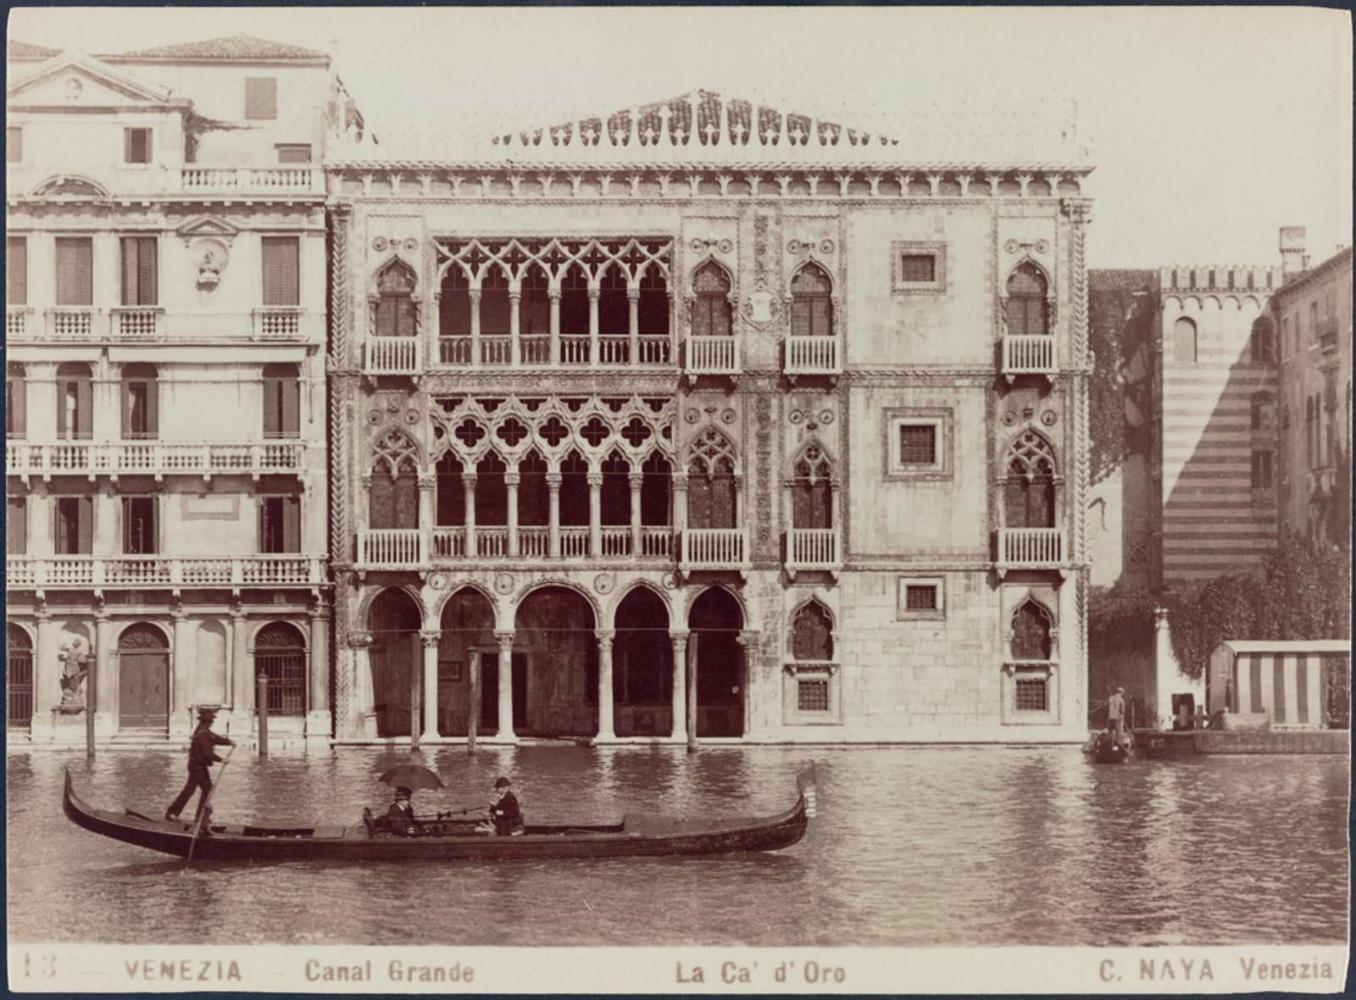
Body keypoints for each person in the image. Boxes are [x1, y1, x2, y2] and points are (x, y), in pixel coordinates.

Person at [165, 706, 235, 825]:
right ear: (208, 721)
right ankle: (189, 815)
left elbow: (214, 738)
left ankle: (194, 816)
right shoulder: (203, 733)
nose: (213, 721)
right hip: (197, 767)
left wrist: (228, 742)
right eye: (212, 719)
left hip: (197, 766)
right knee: (194, 790)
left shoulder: (203, 730)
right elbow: (207, 754)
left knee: (200, 789)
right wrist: (221, 759)